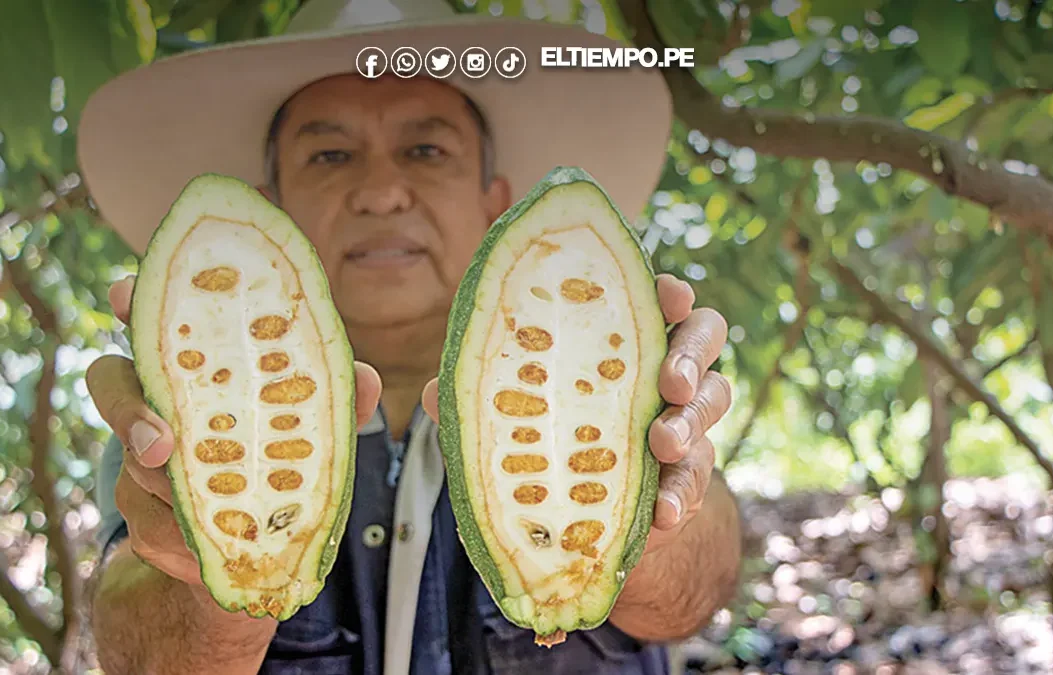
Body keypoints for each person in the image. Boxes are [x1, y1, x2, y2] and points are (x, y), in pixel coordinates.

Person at [77, 0, 743, 672]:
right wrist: (206, 567)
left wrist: (651, 512)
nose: (383, 191)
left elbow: (689, 594)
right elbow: (141, 654)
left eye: (426, 150)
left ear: (497, 202)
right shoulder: (173, 415)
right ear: (268, 212)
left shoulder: (613, 364)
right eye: (330, 154)